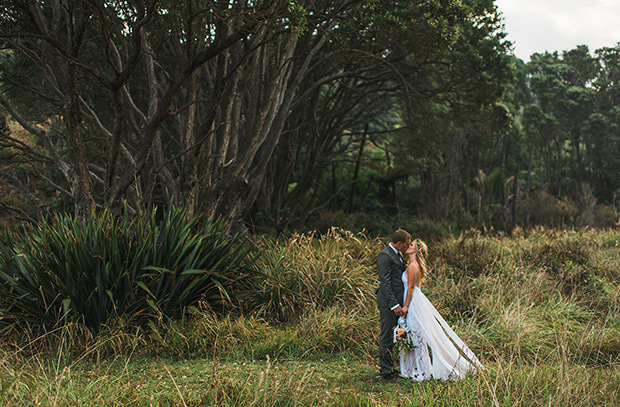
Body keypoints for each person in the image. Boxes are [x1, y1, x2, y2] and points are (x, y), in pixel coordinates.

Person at [399, 239, 484, 381]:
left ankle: (424, 371)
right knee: (415, 335)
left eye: (411, 245)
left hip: (414, 303)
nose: (408, 246)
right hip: (417, 301)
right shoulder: (413, 265)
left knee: (418, 336)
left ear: (416, 251)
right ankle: (418, 367)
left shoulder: (413, 267)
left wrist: (406, 306)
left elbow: (411, 288)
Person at [376, 229, 411, 379]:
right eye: (406, 244)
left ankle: (391, 367)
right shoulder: (385, 255)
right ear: (398, 243)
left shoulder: (397, 254)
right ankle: (385, 371)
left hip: (398, 301)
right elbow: (385, 283)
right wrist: (394, 305)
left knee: (395, 334)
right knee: (387, 336)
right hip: (388, 303)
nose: (408, 247)